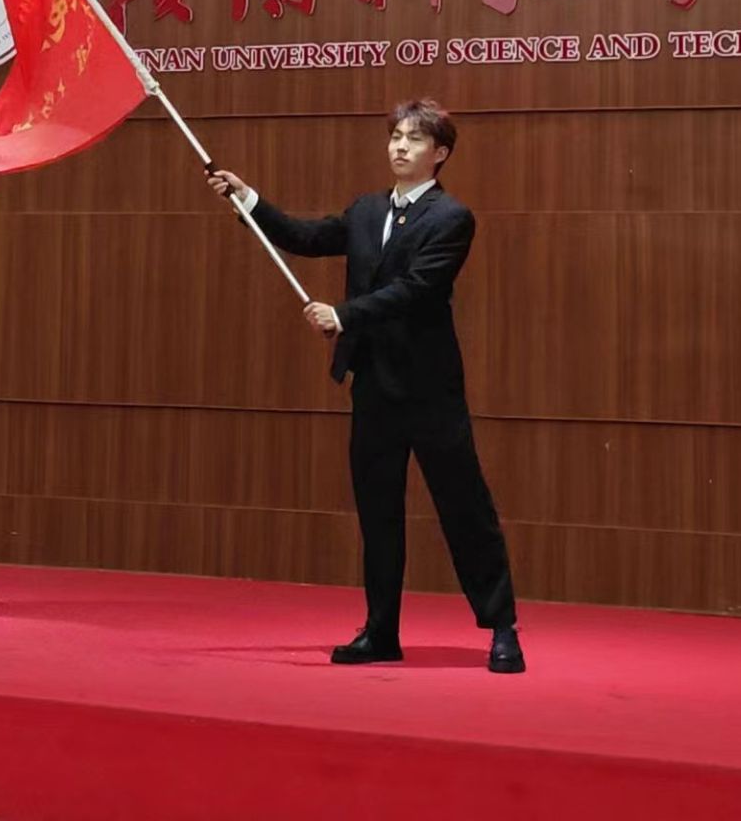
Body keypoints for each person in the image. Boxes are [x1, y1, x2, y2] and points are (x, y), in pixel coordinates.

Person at [207, 99, 524, 673]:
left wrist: (344, 314)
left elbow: (417, 289)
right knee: (378, 513)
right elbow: (306, 236)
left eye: (414, 139)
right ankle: (380, 632)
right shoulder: (367, 209)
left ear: (440, 153)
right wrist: (248, 199)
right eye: (396, 136)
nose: (400, 146)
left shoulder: (452, 218)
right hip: (374, 385)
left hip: (430, 391)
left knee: (464, 508)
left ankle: (502, 627)